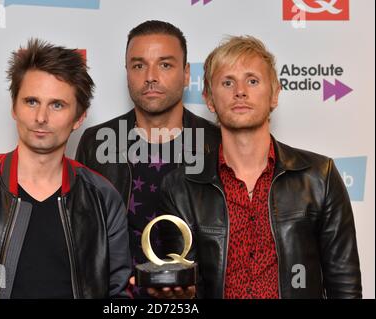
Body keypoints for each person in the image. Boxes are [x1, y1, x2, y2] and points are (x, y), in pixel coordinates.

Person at [155, 35, 362, 298]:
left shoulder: (320, 177)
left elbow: (344, 285)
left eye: (252, 81)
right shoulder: (180, 188)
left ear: (274, 94)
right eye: (227, 82)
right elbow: (185, 289)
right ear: (209, 99)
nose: (240, 91)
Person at [0, 39, 131, 299]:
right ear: (14, 107)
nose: (41, 117)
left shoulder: (103, 198)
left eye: (57, 105)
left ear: (79, 117)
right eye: (31, 101)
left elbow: (120, 295)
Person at [76, 20, 220, 298]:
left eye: (165, 65)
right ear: (127, 72)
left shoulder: (216, 143)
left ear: (187, 73)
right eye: (139, 65)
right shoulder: (96, 142)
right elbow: (83, 240)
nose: (150, 76)